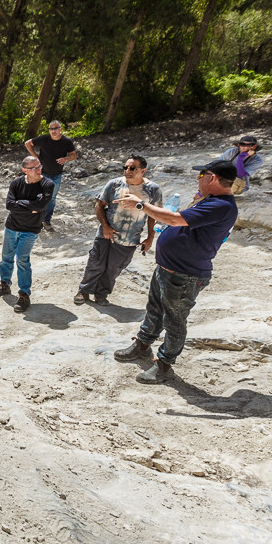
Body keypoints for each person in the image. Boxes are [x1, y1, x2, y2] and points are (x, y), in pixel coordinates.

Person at [112, 159, 238, 384]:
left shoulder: (222, 205)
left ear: (213, 178)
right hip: (169, 267)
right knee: (155, 309)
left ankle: (164, 365)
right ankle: (142, 345)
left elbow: (175, 219)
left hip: (185, 274)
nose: (197, 179)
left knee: (174, 321)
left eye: (201, 176)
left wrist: (140, 204)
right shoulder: (210, 201)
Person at [75, 155, 162, 306]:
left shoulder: (152, 190)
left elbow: (153, 215)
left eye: (132, 168)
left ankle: (101, 294)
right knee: (95, 263)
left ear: (143, 171)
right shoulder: (114, 184)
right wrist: (105, 227)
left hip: (130, 238)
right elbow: (99, 205)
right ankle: (84, 290)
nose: (127, 171)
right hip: (105, 234)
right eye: (125, 167)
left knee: (114, 268)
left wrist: (150, 238)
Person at [0, 156, 54, 313]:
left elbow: (41, 206)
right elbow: (9, 205)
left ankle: (24, 294)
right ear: (24, 170)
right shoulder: (16, 183)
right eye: (33, 168)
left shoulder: (47, 184)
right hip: (12, 226)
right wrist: (30, 206)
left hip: (31, 229)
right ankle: (5, 284)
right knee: (6, 258)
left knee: (22, 260)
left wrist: (20, 203)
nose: (38, 169)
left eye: (39, 166)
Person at [24, 120, 76, 231]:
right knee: (38, 196)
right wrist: (35, 157)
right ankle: (35, 220)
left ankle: (46, 221)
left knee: (51, 199)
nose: (53, 131)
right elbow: (28, 143)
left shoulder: (66, 141)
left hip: (56, 175)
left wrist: (66, 159)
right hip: (41, 174)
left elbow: (73, 155)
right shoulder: (44, 139)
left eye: (55, 128)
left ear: (60, 129)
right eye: (51, 129)